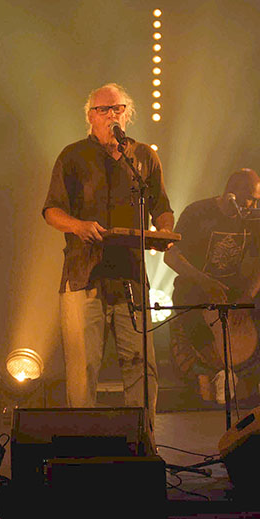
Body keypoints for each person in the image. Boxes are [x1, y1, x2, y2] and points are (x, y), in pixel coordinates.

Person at [42, 83, 174, 444]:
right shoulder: (72, 156)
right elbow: (51, 210)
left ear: (127, 113)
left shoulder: (143, 157)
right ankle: (84, 450)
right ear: (90, 116)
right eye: (103, 109)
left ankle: (144, 446)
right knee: (84, 372)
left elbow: (162, 206)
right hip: (85, 276)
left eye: (117, 108)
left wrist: (164, 232)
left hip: (130, 277)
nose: (111, 115)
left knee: (141, 367)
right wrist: (78, 226)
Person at [164, 168, 260, 404]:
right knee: (185, 301)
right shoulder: (197, 212)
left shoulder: (254, 218)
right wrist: (204, 281)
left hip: (232, 285)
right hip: (196, 282)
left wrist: (248, 296)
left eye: (257, 200)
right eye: (250, 198)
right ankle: (220, 374)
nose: (253, 205)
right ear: (231, 193)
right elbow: (171, 256)